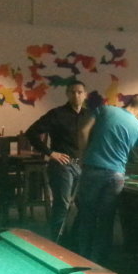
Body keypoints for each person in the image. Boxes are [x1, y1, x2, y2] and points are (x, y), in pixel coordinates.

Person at [75, 94, 138, 264]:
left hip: (92, 169)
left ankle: (82, 257)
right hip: (116, 176)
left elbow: (83, 131)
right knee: (106, 220)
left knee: (87, 216)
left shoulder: (105, 109)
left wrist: (83, 155)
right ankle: (100, 262)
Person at [23, 80, 89, 241]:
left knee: (85, 205)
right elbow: (31, 132)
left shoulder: (90, 115)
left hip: (83, 165)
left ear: (85, 95)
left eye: (79, 92)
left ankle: (74, 240)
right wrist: (50, 153)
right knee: (62, 205)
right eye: (72, 92)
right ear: (67, 94)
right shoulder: (57, 114)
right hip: (62, 165)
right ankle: (58, 242)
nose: (76, 95)